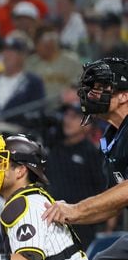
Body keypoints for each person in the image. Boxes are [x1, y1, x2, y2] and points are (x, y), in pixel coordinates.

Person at [42, 58, 128, 260]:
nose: (92, 93)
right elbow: (111, 201)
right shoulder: (113, 136)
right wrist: (66, 218)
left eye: (103, 87)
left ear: (124, 95)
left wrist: (76, 209)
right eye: (91, 87)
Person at [45, 102, 109, 246]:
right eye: (67, 115)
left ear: (88, 125)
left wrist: (108, 226)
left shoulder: (93, 154)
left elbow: (105, 189)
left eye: (74, 117)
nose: (68, 120)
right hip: (51, 220)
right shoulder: (54, 148)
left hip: (82, 225)